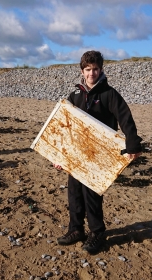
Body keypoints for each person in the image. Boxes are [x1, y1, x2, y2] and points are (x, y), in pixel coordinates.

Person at [54, 50, 142, 254]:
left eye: (95, 69)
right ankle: (76, 230)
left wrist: (133, 146)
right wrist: (59, 155)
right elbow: (63, 125)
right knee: (74, 193)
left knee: (92, 194)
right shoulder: (75, 95)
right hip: (76, 154)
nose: (91, 73)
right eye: (87, 69)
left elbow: (126, 119)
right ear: (82, 71)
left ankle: (97, 233)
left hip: (98, 156)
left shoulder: (109, 94)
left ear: (101, 70)